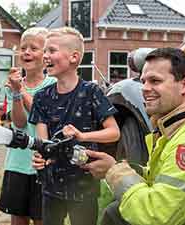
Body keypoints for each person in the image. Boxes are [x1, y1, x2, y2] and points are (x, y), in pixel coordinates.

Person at [83, 47, 185, 225]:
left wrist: (114, 171)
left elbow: (154, 215)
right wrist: (118, 167)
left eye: (155, 81)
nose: (145, 88)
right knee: (115, 212)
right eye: (143, 81)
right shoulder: (176, 128)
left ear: (184, 85)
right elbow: (160, 181)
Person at [29, 26, 120, 225]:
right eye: (44, 51)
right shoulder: (41, 97)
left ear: (74, 57)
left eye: (51, 50)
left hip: (84, 185)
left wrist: (83, 136)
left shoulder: (91, 92)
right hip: (51, 185)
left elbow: (114, 132)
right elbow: (42, 142)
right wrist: (40, 156)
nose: (45, 56)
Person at [0, 27, 56, 225]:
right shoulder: (13, 85)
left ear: (45, 55)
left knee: (42, 219)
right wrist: (15, 93)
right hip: (17, 163)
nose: (26, 52)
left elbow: (43, 115)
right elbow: (20, 122)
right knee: (18, 219)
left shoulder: (53, 84)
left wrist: (20, 90)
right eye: (23, 48)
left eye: (33, 48)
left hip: (41, 164)